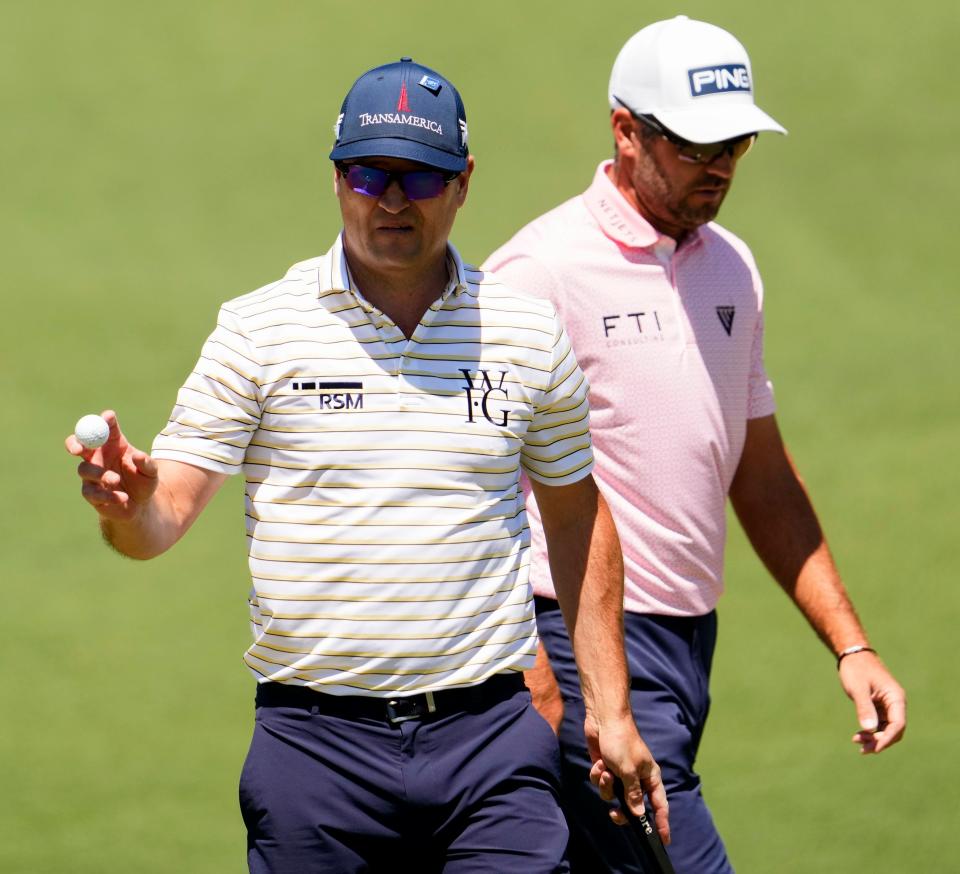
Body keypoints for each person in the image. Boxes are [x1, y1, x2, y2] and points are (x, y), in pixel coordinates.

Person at [65, 58, 669, 873]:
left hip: (489, 742)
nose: (390, 199)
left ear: (463, 182)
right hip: (315, 752)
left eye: (418, 176)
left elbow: (575, 517)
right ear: (337, 177)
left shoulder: (527, 334)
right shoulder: (258, 332)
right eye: (367, 172)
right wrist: (124, 506)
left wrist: (610, 706)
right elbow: (160, 517)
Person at [484, 16, 907, 873]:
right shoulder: (540, 271)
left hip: (686, 643)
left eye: (736, 144)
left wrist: (850, 644)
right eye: (694, 144)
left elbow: (758, 469)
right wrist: (525, 658)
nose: (718, 165)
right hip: (577, 641)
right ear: (626, 130)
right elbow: (464, 480)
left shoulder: (731, 269)